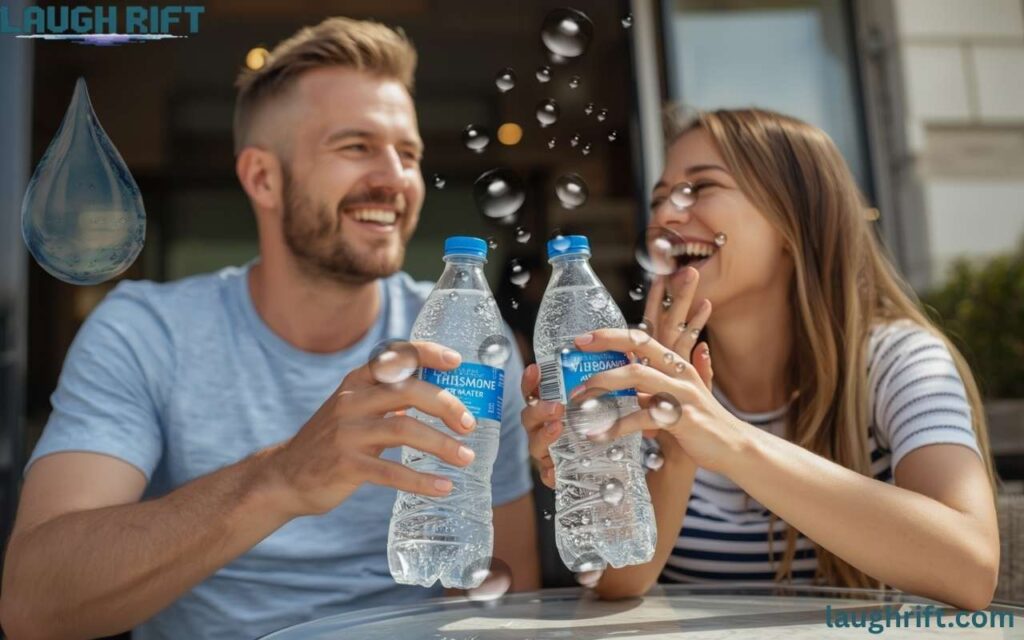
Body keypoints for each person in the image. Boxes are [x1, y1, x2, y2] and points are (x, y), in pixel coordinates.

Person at [1, 17, 539, 640]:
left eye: (409, 154)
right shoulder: (145, 334)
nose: (395, 178)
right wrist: (279, 479)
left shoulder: (466, 348)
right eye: (356, 147)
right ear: (262, 177)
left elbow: (503, 605)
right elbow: (34, 603)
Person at [521, 107, 1000, 611]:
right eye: (660, 199)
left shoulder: (898, 360)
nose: (664, 217)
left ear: (794, 220)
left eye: (701, 187)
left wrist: (727, 440)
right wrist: (668, 454)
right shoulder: (647, 378)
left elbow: (970, 569)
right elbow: (618, 583)